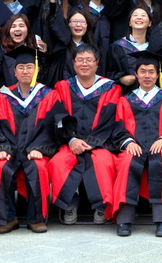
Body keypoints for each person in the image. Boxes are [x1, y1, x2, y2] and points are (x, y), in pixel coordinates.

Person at [0, 46, 60, 233]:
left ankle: (36, 218)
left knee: (38, 166)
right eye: (21, 68)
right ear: (14, 72)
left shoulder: (49, 95)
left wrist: (39, 148)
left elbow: (53, 128)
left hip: (36, 149)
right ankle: (7, 218)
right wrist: (3, 148)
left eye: (29, 67)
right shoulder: (2, 96)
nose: (25, 71)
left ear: (37, 70)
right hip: (10, 148)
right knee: (0, 166)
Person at [111, 51, 162, 238]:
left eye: (151, 72)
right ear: (136, 74)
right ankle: (125, 219)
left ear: (157, 75)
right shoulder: (125, 100)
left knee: (159, 161)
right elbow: (119, 129)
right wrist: (128, 142)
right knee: (127, 161)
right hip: (134, 147)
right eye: (143, 71)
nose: (147, 76)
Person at [47, 44, 124, 226]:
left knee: (104, 162)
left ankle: (101, 206)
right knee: (57, 163)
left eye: (89, 60)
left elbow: (110, 119)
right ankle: (70, 203)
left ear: (97, 63)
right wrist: (71, 139)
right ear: (73, 63)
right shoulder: (63, 87)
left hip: (100, 143)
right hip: (70, 142)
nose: (84, 64)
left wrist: (91, 142)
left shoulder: (111, 88)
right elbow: (58, 117)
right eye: (80, 60)